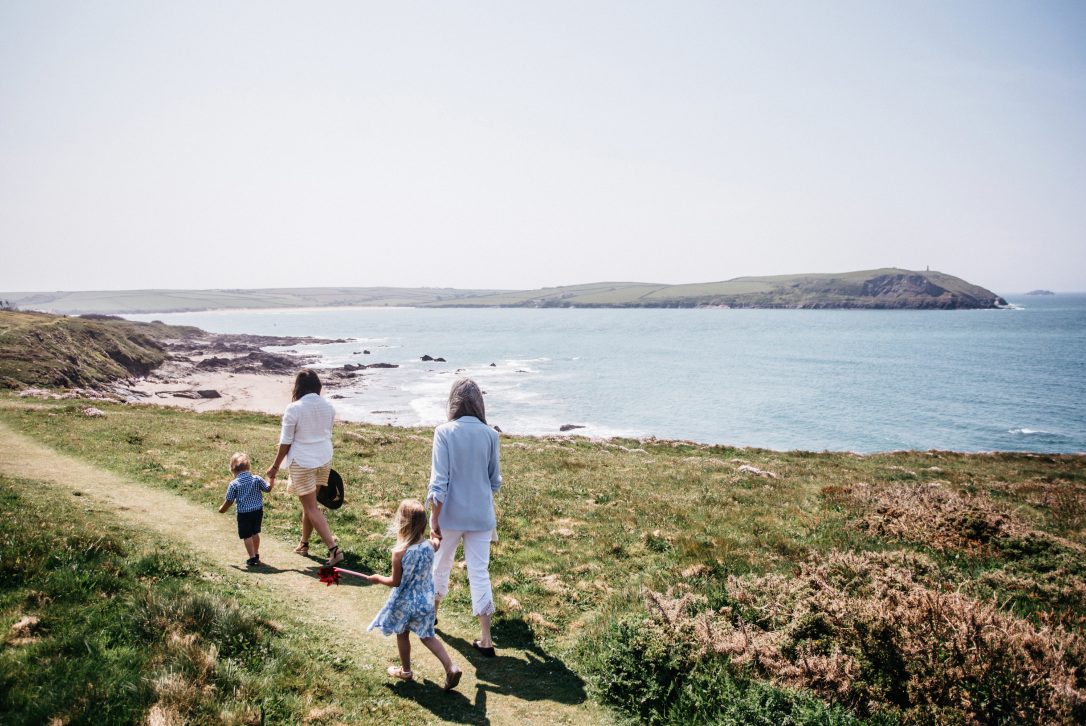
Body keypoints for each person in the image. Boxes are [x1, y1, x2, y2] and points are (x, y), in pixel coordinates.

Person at [428, 378, 502, 656]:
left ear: (453, 402)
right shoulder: (490, 434)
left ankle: (431, 618)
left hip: (450, 514)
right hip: (481, 516)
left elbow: (439, 483)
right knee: (479, 573)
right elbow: (494, 481)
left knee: (440, 566)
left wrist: (433, 520)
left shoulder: (444, 432)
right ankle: (486, 639)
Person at [367, 499, 462, 690]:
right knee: (428, 636)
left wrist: (378, 578)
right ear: (422, 525)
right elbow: (437, 542)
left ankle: (406, 671)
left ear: (402, 524)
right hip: (426, 601)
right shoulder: (430, 546)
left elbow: (395, 582)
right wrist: (435, 534)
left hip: (405, 602)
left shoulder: (399, 553)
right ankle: (450, 667)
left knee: (402, 634)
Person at [266, 369, 344, 566]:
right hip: (324, 458)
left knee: (310, 507)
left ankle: (334, 549)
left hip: (303, 461)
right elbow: (325, 432)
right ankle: (304, 544)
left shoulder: (294, 408)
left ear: (298, 387)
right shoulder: (328, 406)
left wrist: (275, 466)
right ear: (317, 386)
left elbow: (285, 442)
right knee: (310, 505)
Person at [218, 452, 272, 566]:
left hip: (244, 514)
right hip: (257, 511)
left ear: (232, 469)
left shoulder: (234, 484)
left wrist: (222, 509)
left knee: (247, 535)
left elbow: (229, 500)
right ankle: (256, 553)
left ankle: (252, 558)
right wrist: (272, 478)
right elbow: (268, 488)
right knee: (255, 533)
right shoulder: (256, 479)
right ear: (248, 467)